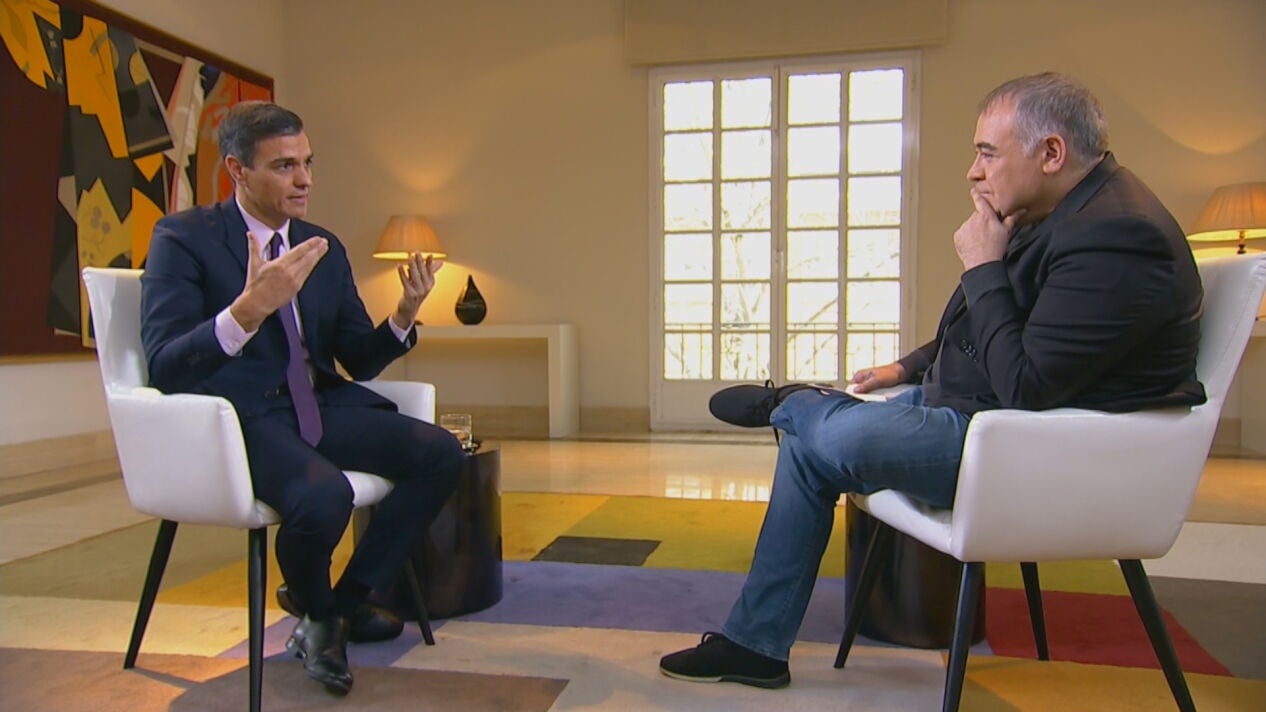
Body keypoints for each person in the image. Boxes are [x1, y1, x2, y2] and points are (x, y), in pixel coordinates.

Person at [659, 72, 1205, 689]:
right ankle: (755, 646)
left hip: (1029, 451)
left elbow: (1027, 386)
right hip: (986, 415)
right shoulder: (1065, 211)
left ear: (1051, 153)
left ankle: (795, 402)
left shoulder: (1119, 235)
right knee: (813, 447)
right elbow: (988, 330)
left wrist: (983, 263)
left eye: (987, 153)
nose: (974, 172)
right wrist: (907, 368)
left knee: (833, 439)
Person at [140, 101, 465, 695]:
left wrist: (403, 315)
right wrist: (247, 310)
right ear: (238, 170)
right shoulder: (183, 239)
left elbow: (357, 359)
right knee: (325, 497)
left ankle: (334, 608)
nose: (304, 179)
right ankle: (323, 613)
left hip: (315, 404)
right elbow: (165, 365)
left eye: (308, 163)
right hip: (241, 415)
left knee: (441, 454)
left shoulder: (321, 245)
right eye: (284, 166)